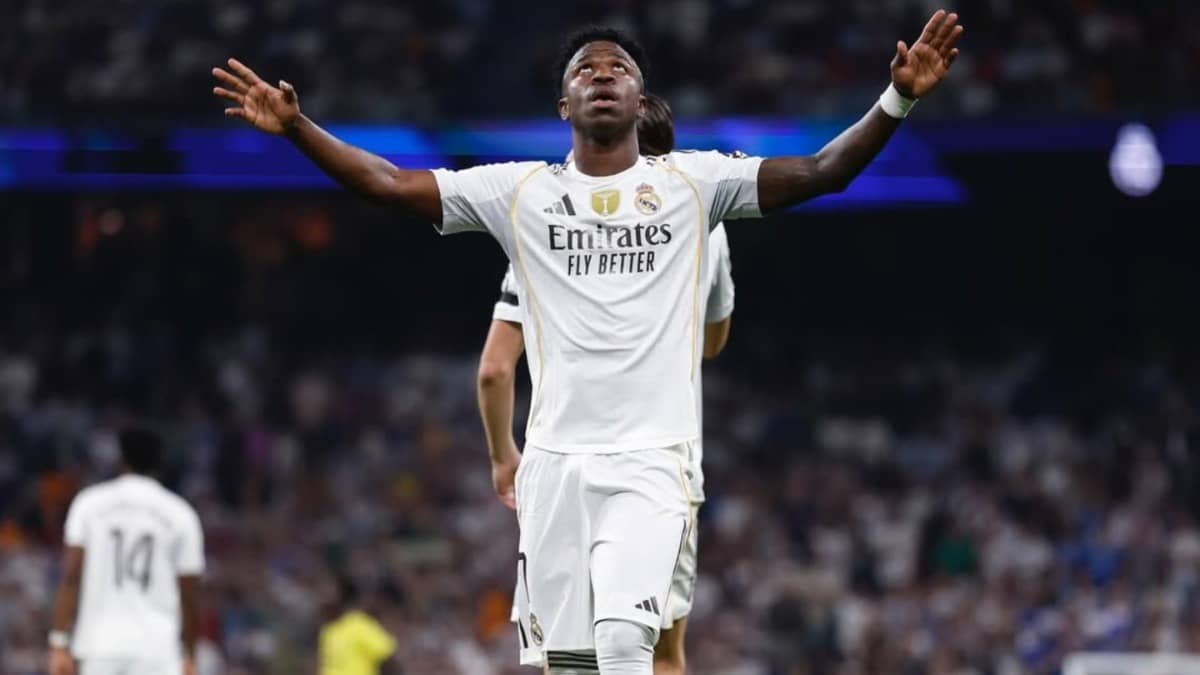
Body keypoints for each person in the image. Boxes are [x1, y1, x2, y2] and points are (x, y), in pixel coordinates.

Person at [211, 12, 962, 673]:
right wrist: (300, 129)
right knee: (571, 664)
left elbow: (824, 171)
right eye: (585, 69)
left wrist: (897, 98)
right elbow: (387, 182)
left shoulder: (696, 186)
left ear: (642, 100)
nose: (603, 75)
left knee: (627, 642)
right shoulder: (518, 192)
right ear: (563, 103)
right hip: (553, 471)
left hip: (650, 462)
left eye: (620, 68)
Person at [478, 93, 733, 675]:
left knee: (564, 654)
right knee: (657, 651)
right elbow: (713, 343)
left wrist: (502, 456)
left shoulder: (541, 229)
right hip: (662, 466)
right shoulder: (703, 224)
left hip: (561, 464)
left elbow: (494, 368)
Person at [48, 427, 204, 675]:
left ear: (120, 460)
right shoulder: (181, 514)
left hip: (99, 646)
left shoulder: (89, 504)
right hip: (158, 650)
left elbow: (71, 575)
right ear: (160, 462)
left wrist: (58, 642)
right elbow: (190, 596)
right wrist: (191, 655)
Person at [318, 578, 398, 675]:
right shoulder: (327, 631)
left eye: (328, 591)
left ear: (341, 595)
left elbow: (387, 655)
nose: (323, 597)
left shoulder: (358, 623)